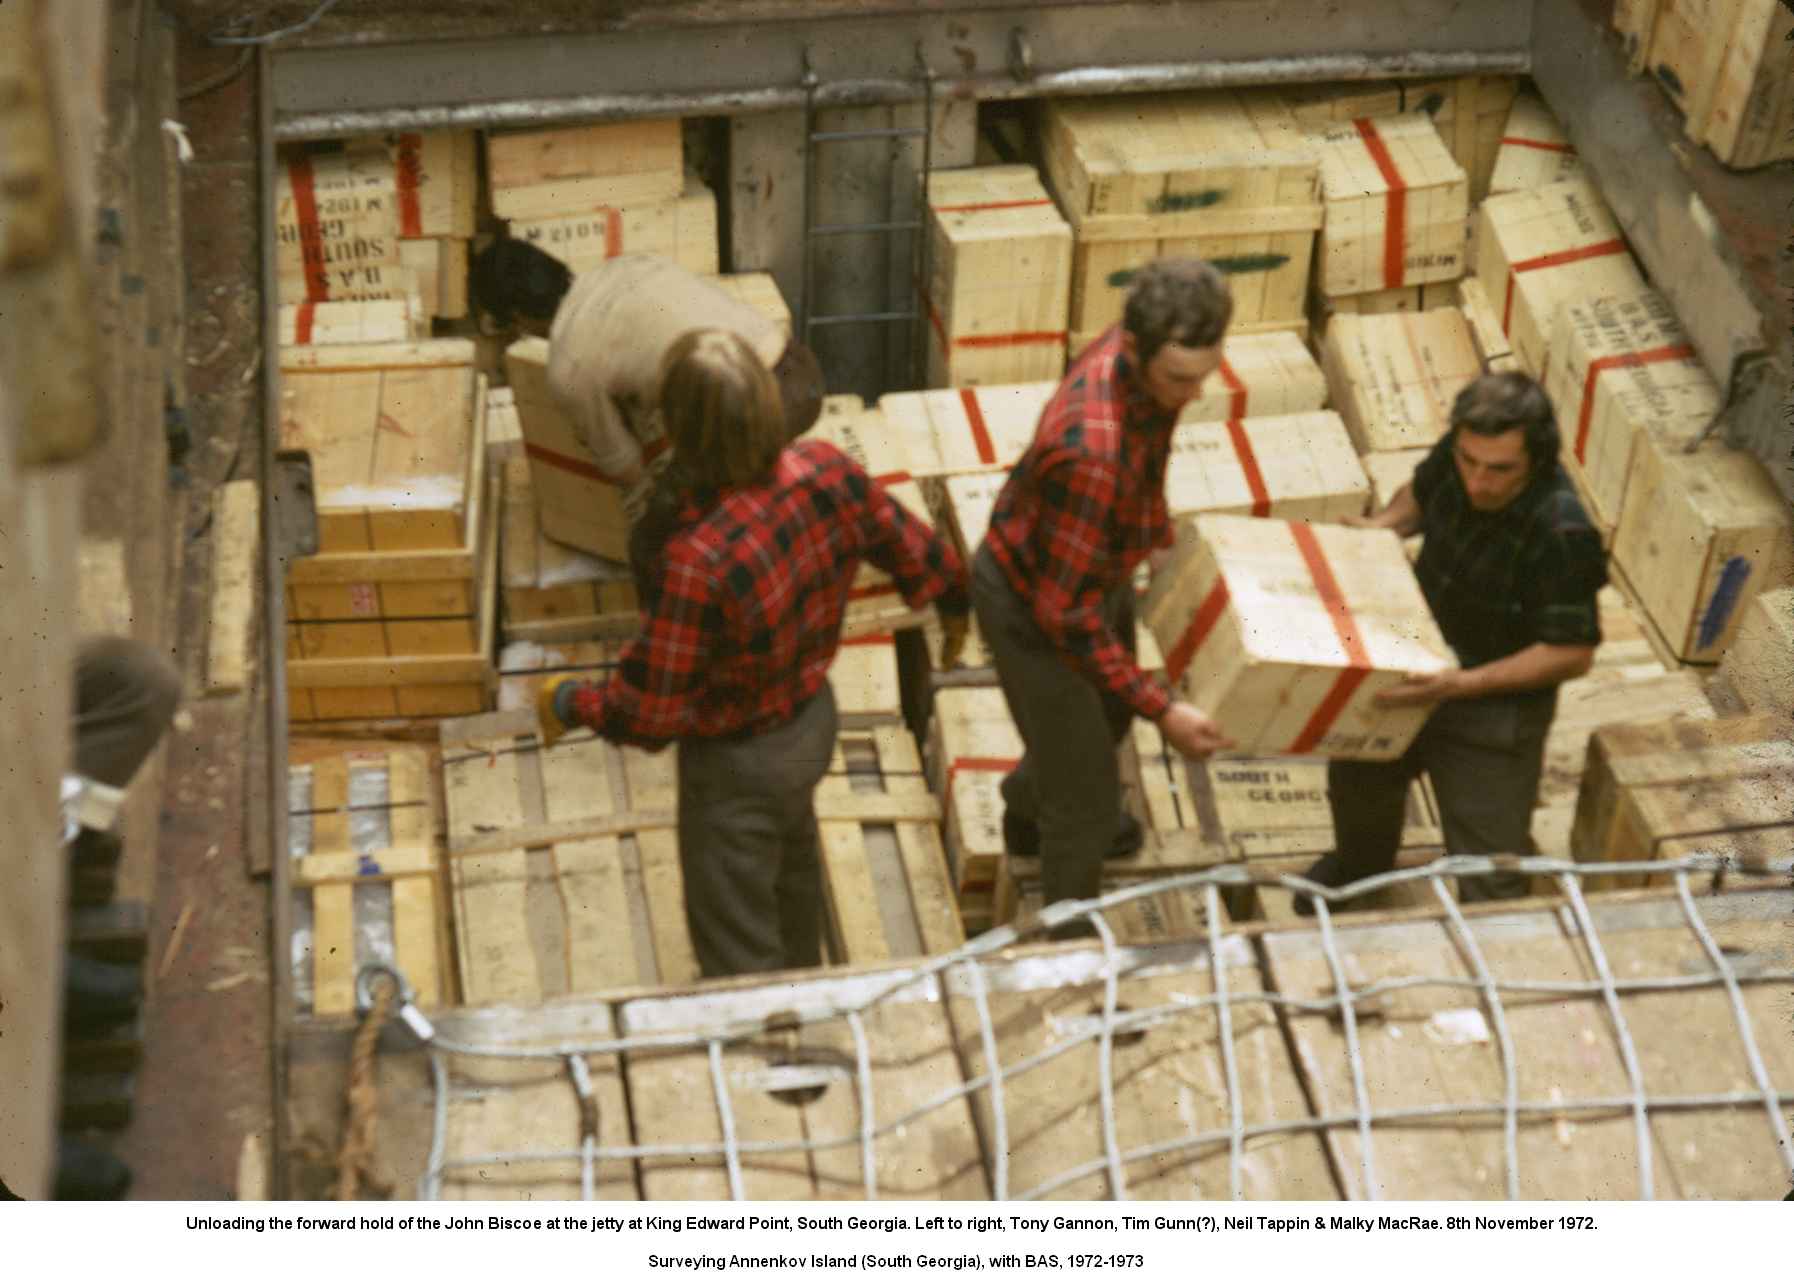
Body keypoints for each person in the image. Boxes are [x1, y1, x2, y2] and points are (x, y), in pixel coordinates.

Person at [534, 329, 969, 978]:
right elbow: (923, 555)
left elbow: (648, 716)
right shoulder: (826, 469)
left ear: (683, 435)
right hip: (812, 725)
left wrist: (572, 702)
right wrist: (955, 611)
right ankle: (805, 986)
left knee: (738, 948)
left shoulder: (696, 558)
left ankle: (775, 1061)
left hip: (738, 767)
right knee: (791, 865)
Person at [972, 258, 1237, 934]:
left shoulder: (1139, 367)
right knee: (1087, 800)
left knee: (1109, 722)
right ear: (1138, 348)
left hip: (1089, 562)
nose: (1191, 393)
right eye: (1179, 378)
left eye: (1203, 376)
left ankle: (1025, 808)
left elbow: (1149, 452)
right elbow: (1066, 616)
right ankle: (1067, 937)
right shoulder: (1092, 450)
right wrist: (1166, 708)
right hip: (1036, 602)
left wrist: (1151, 533)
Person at [1295, 371, 1606, 914]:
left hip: (1493, 702)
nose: (1478, 482)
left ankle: (1494, 937)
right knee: (1359, 780)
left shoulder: (1562, 531)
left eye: (1500, 470)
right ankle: (1360, 870)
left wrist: (1461, 685)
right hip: (1414, 655)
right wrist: (1387, 525)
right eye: (1470, 462)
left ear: (1537, 459)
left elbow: (1571, 652)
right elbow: (1420, 491)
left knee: (1489, 866)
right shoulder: (1460, 455)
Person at [470, 241, 826, 597]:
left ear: (517, 317)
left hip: (760, 413)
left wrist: (649, 509)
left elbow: (626, 469)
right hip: (803, 374)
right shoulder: (626, 266)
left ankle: (685, 635)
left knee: (651, 545)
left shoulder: (569, 366)